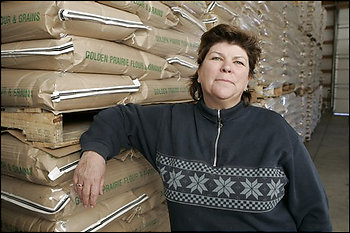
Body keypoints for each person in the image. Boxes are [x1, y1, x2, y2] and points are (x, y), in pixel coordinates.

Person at [73, 24, 332, 231]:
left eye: (239, 62)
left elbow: (313, 210)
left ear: (247, 80)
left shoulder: (274, 130)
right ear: (199, 70)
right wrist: (94, 153)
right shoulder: (170, 122)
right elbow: (120, 118)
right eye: (216, 58)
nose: (227, 67)